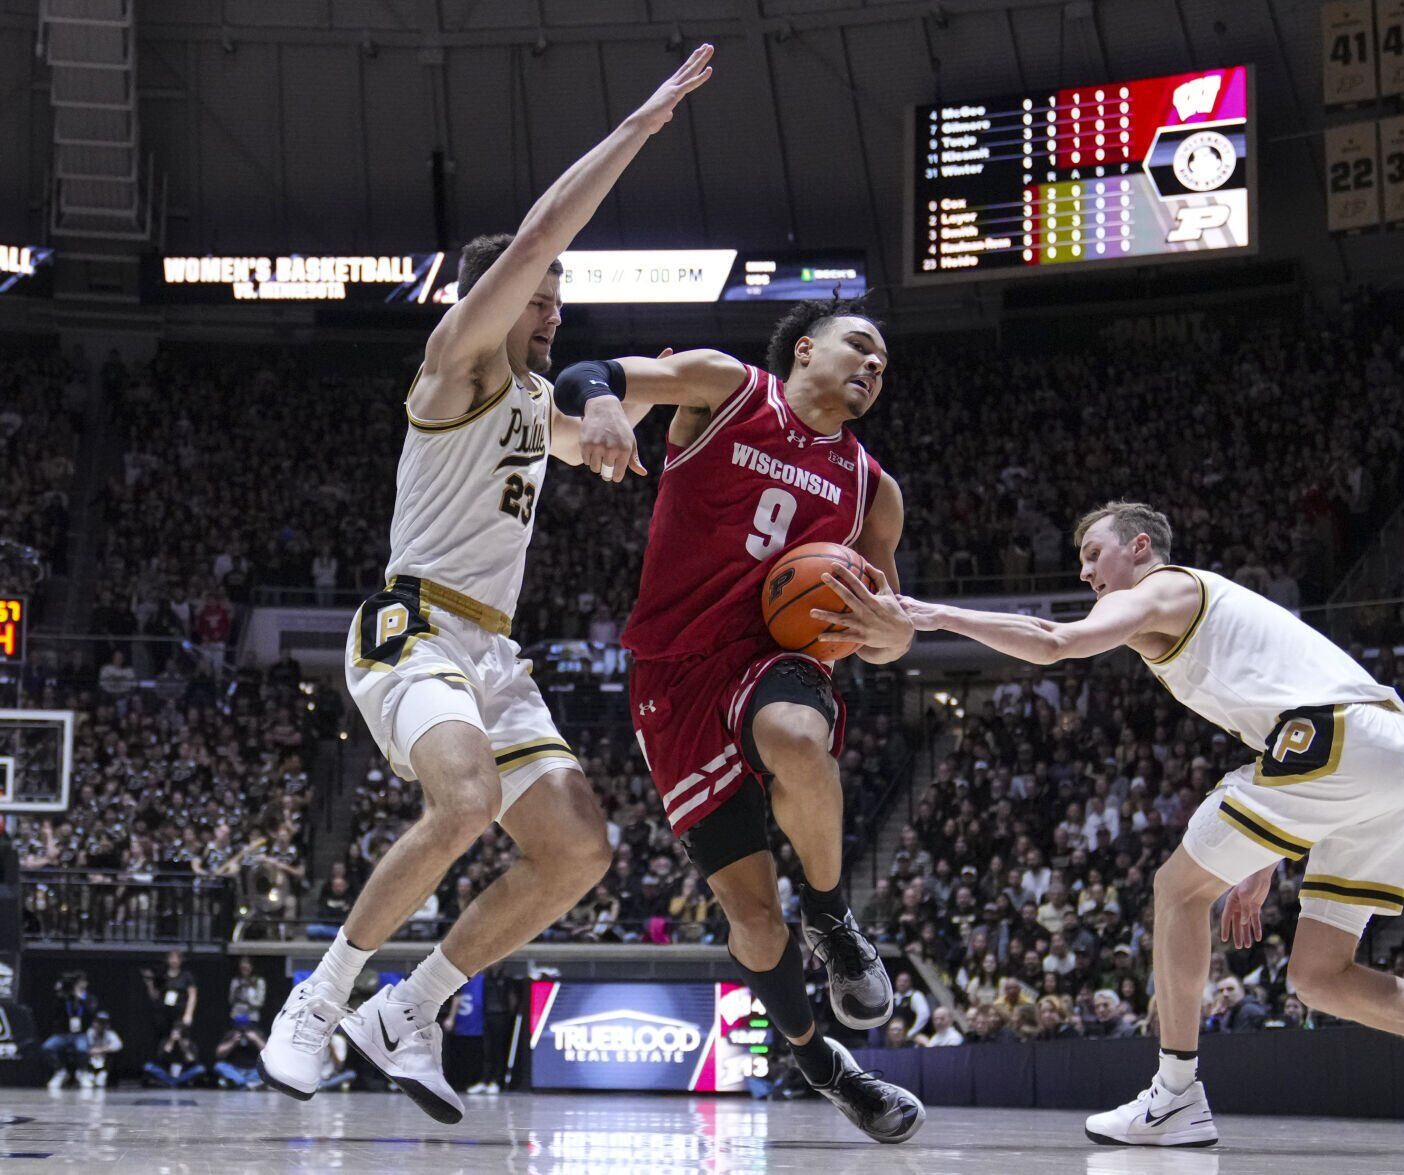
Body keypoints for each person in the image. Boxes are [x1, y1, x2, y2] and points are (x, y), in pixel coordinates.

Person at [257, 49, 716, 1123]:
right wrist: (641, 126)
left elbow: (593, 411)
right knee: (463, 799)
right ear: (495, 294)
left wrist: (602, 411)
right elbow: (544, 231)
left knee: (578, 850)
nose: (554, 306)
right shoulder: (457, 362)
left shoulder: (532, 399)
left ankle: (407, 1008)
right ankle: (319, 1001)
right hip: (408, 624)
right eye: (541, 292)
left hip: (491, 652)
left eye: (561, 298)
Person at [894, 500, 1404, 1156]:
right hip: (1396, 760)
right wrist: (1264, 856)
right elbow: (1281, 718)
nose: (1083, 571)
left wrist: (931, 613)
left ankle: (1176, 1091)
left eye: (1092, 553)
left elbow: (1054, 641)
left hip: (1334, 741)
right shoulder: (1208, 613)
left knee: (1176, 889)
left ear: (1139, 548)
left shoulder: (1161, 589)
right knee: (1317, 974)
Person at [581, 296, 922, 1143]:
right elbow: (597, 374)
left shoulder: (872, 491)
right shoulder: (727, 388)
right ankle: (823, 1065)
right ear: (804, 349)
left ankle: (835, 916)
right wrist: (597, 406)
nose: (874, 366)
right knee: (752, 920)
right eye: (860, 347)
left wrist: (894, 632)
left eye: (884, 361)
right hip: (673, 672)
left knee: (799, 738)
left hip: (777, 655)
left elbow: (886, 625)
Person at [40, 971, 98, 1090]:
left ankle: (82, 1073)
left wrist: (81, 998)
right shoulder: (64, 998)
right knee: (47, 1047)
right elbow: (54, 1013)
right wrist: (60, 994)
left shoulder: (89, 998)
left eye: (81, 982)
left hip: (80, 1034)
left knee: (82, 1049)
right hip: (63, 1034)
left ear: (85, 984)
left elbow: (92, 1013)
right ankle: (60, 1071)